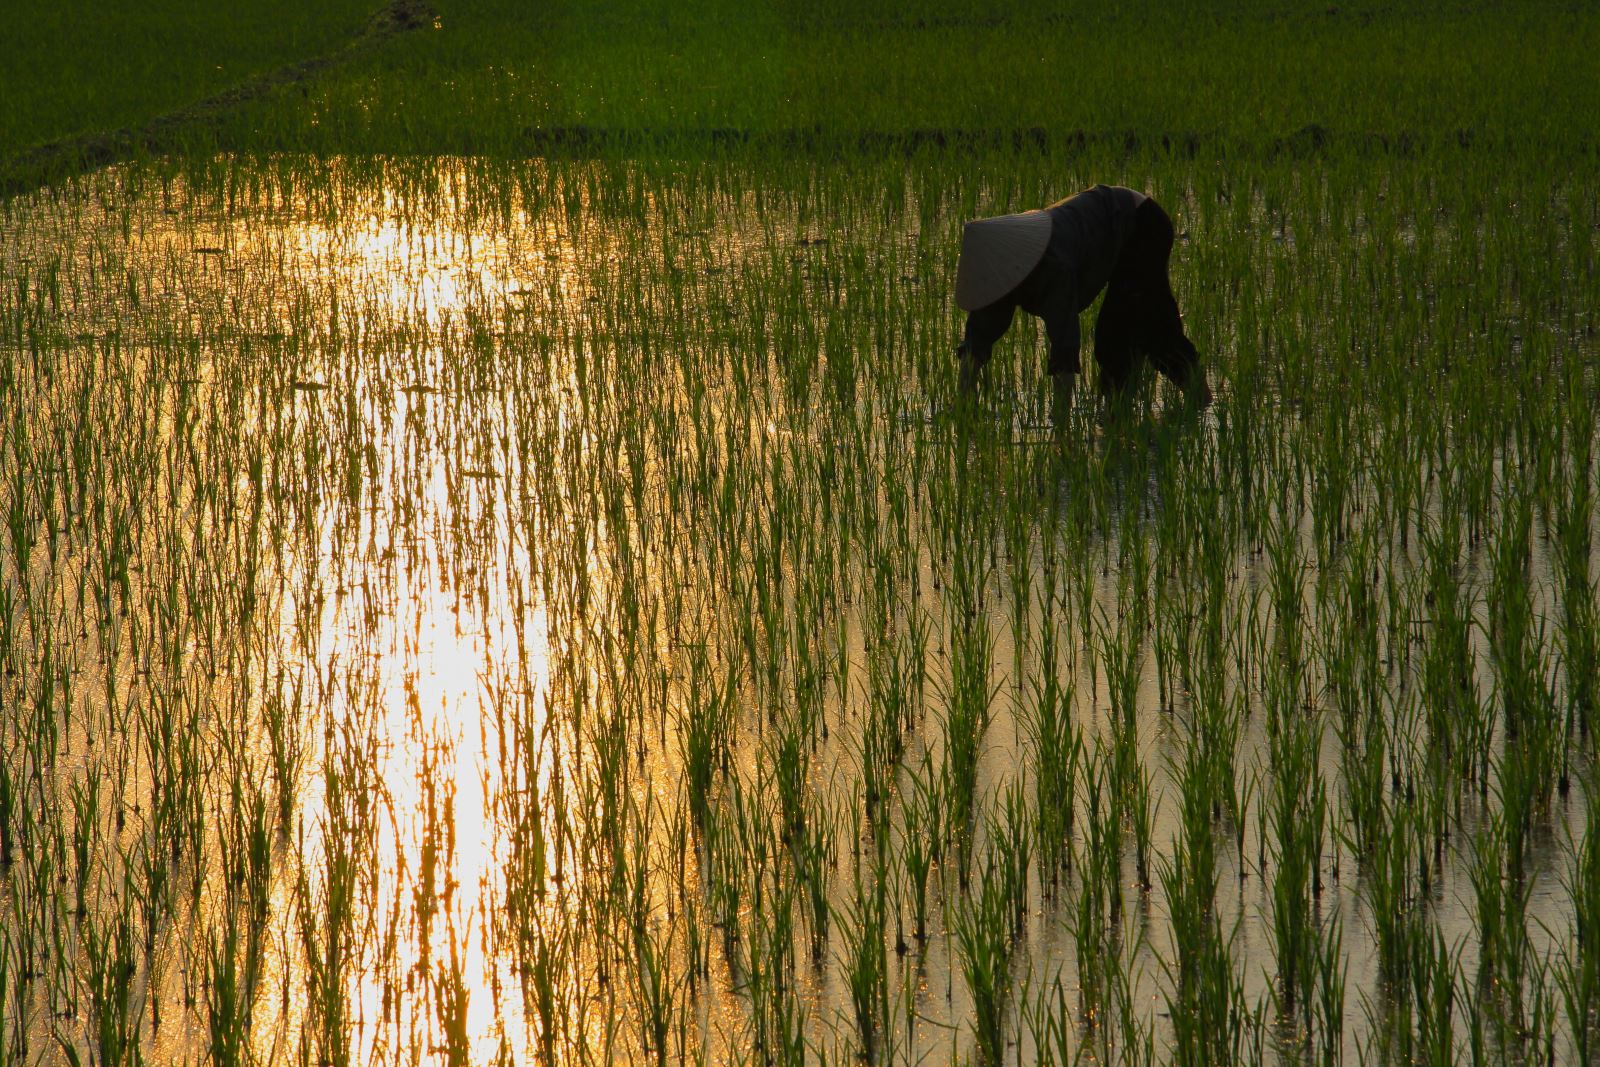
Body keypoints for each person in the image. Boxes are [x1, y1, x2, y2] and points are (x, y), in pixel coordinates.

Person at [954, 184, 1211, 419]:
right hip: (1111, 228)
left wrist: (1061, 422)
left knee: (1141, 328)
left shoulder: (1051, 267)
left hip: (1140, 223)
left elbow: (1064, 345)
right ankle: (1118, 414)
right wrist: (963, 407)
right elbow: (977, 342)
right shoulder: (1000, 277)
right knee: (1117, 338)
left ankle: (1197, 399)